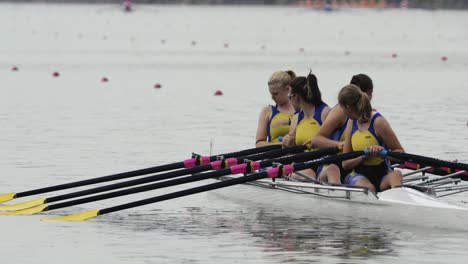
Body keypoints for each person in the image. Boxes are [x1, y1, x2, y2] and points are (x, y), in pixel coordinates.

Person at [305, 74, 374, 183]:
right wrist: (340, 144)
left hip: (358, 164)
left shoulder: (372, 116)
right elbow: (315, 140)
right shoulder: (340, 111)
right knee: (333, 169)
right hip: (332, 163)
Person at [339, 84, 404, 192]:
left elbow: (401, 154)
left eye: (342, 108)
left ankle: (400, 202)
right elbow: (345, 164)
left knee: (397, 174)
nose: (342, 111)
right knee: (369, 188)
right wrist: (363, 156)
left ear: (348, 108)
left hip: (383, 174)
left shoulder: (378, 122)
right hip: (358, 176)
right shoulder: (351, 123)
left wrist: (383, 153)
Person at [282, 72, 331, 180]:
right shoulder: (296, 119)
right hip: (302, 162)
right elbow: (292, 150)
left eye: (290, 96)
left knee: (313, 174)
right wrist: (287, 144)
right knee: (308, 174)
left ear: (297, 97)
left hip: (322, 161)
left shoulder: (324, 112)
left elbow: (335, 140)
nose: (289, 101)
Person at [255, 71, 296, 147]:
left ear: (288, 89)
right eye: (271, 93)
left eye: (276, 94)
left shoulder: (302, 110)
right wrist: (283, 143)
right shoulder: (267, 111)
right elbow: (259, 144)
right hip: (274, 155)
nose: (272, 97)